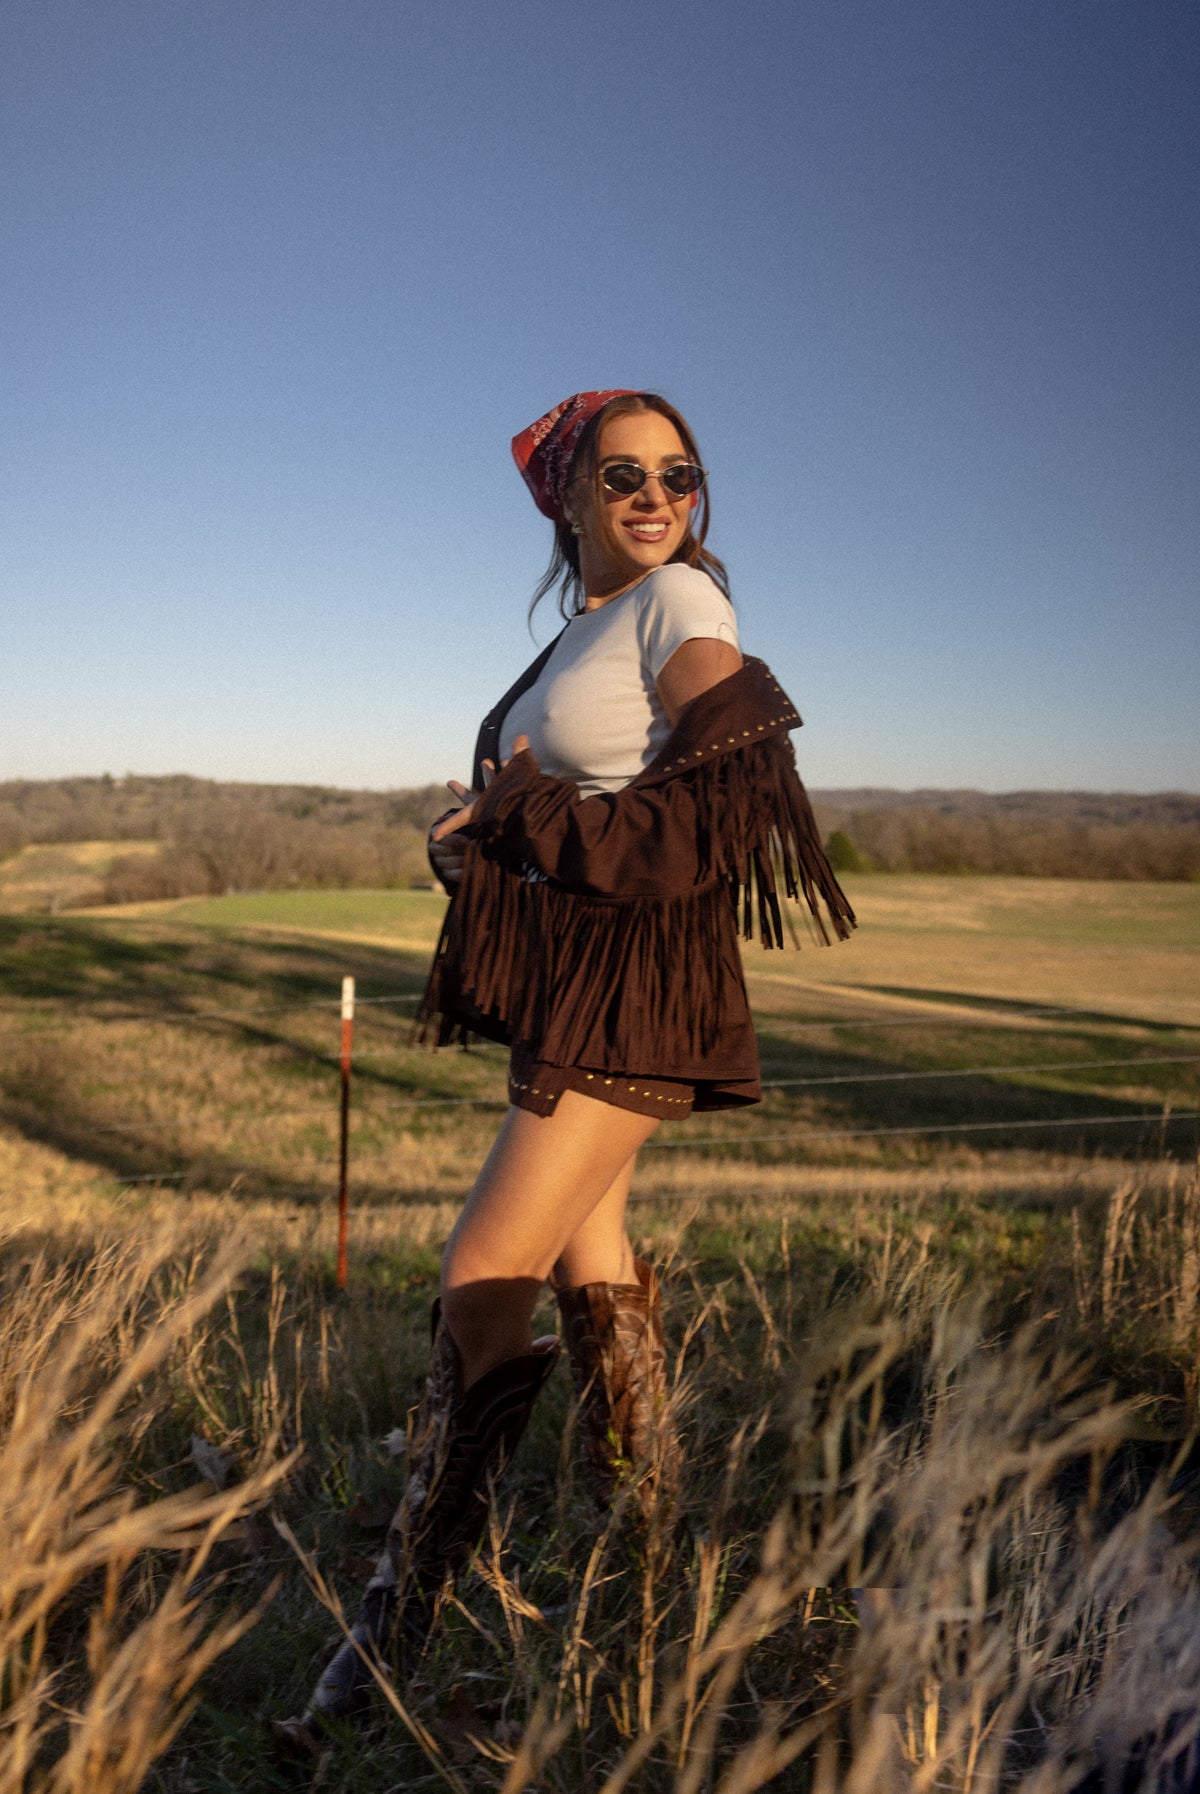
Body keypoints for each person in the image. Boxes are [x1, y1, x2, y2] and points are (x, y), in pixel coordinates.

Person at [273, 390, 854, 1755]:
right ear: (566, 496)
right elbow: (580, 810)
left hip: (633, 991)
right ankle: (640, 1538)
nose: (656, 493)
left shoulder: (681, 612)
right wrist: (480, 841)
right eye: (623, 472)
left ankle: (393, 1618)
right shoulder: (581, 635)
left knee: (484, 1266)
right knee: (592, 1246)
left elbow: (717, 814)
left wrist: (527, 807)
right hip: (577, 982)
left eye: (679, 472)